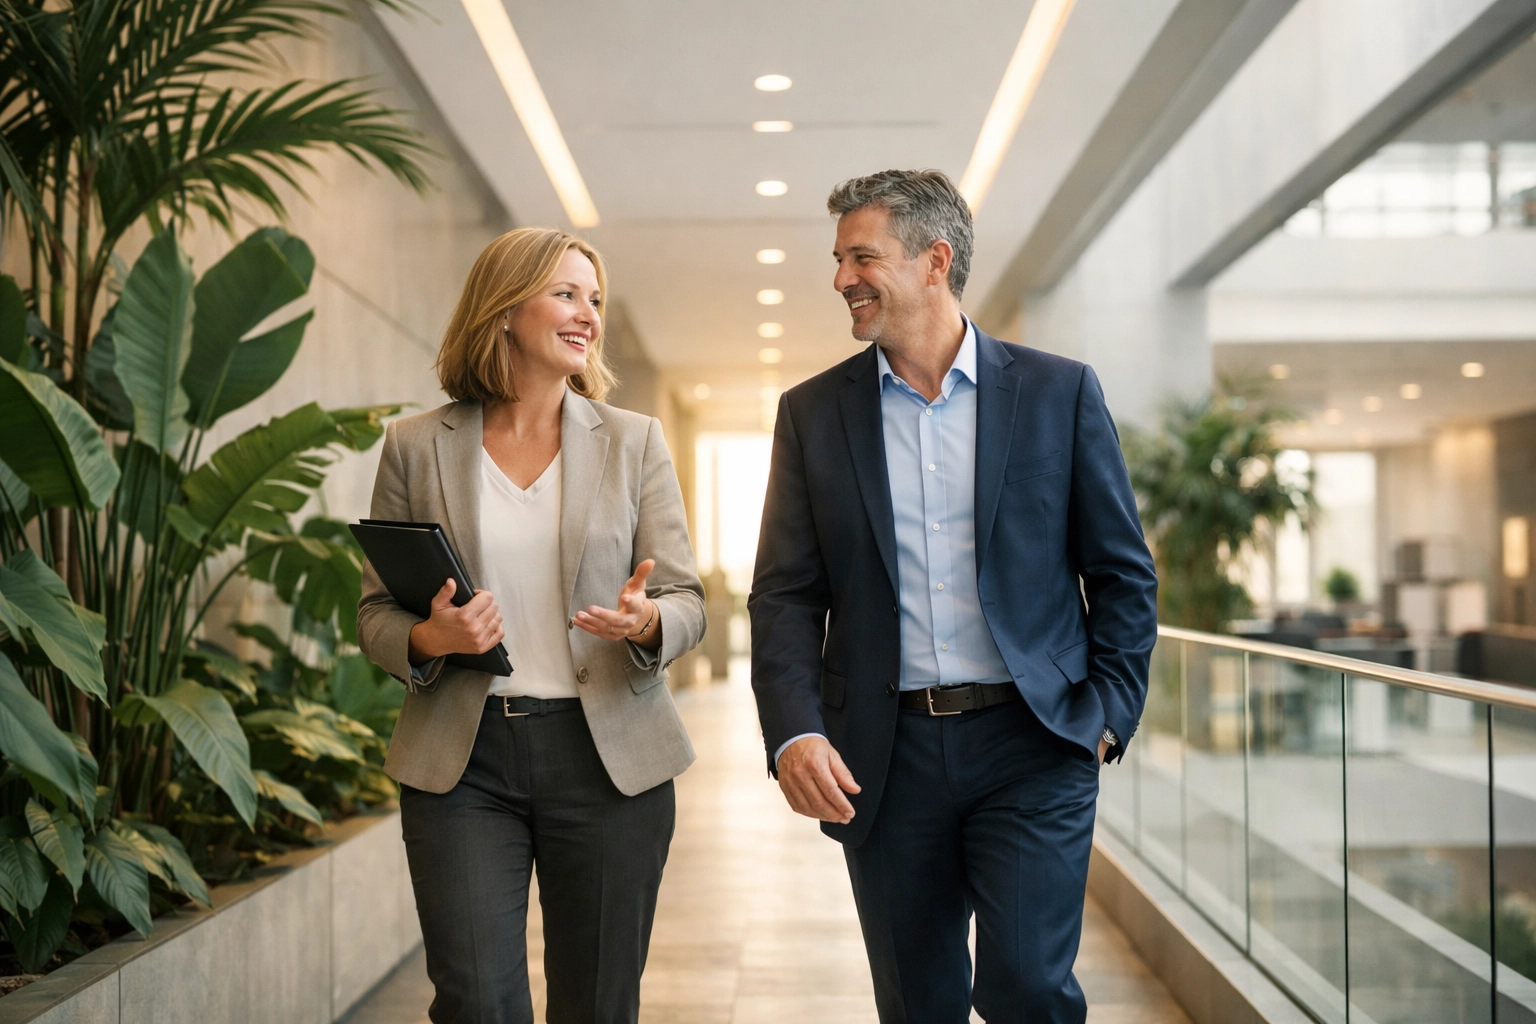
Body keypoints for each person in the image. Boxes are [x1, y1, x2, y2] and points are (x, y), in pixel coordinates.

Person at [748, 169, 1157, 1024]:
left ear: (935, 261)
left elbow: (1121, 572)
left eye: (862, 256)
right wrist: (794, 731)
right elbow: (785, 596)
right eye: (838, 259)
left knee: (1031, 989)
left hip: (1033, 743)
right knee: (916, 1002)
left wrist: (1109, 714)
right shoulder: (813, 414)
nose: (840, 280)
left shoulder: (1058, 392)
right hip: (882, 757)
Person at [357, 227, 704, 1024]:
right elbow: (376, 610)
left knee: (596, 1003)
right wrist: (429, 639)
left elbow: (687, 601)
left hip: (608, 755)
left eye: (595, 299)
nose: (587, 314)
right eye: (566, 294)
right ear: (506, 308)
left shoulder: (633, 441)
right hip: (464, 762)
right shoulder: (416, 446)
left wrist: (648, 620)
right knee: (477, 999)